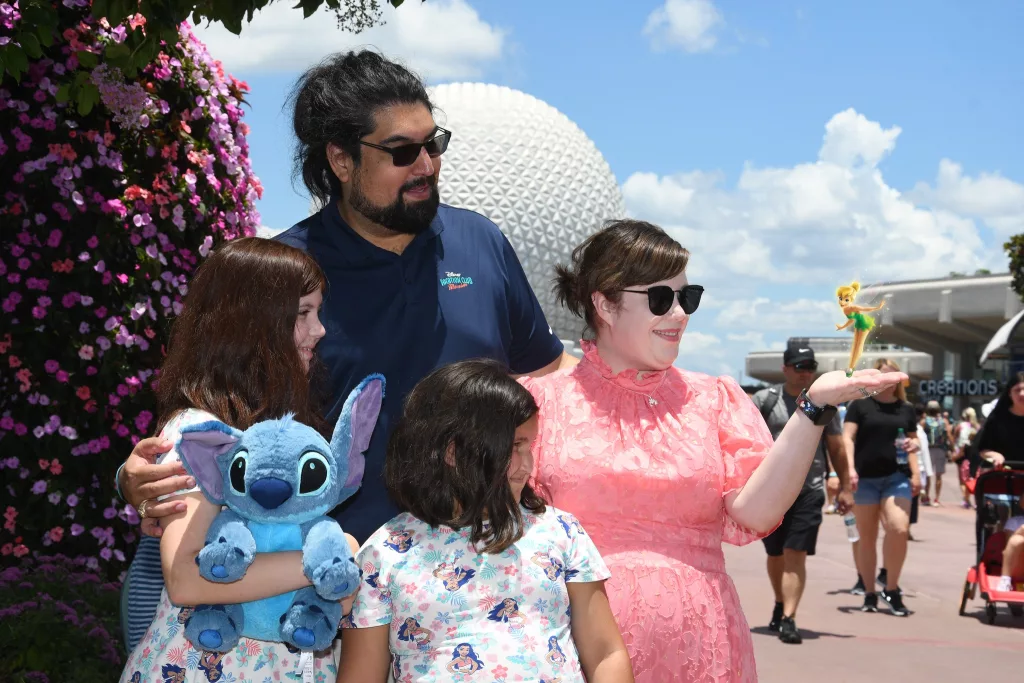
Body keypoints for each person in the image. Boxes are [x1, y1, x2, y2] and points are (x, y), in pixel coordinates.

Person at [114, 50, 576, 648]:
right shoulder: (287, 274)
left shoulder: (481, 243)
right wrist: (134, 477)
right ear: (340, 158)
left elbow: (554, 380)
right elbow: (215, 410)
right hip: (329, 599)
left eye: (433, 143)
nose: (427, 165)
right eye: (402, 151)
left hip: (477, 589)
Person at [519, 220, 907, 682]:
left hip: (700, 646)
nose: (681, 314)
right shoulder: (539, 403)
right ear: (604, 302)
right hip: (569, 646)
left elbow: (756, 513)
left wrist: (814, 408)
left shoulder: (714, 399)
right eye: (661, 299)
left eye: (689, 297)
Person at [119, 238, 357, 681]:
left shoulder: (283, 430)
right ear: (252, 323)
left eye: (317, 312)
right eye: (303, 313)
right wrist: (335, 557)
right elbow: (186, 577)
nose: (319, 330)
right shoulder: (199, 432)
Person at [338, 360, 634, 682]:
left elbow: (606, 653)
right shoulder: (385, 553)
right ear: (453, 453)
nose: (528, 464)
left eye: (530, 446)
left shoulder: (561, 531)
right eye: (514, 447)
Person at [751, 346, 852, 644]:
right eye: (799, 366)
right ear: (785, 368)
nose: (805, 371)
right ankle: (781, 602)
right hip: (771, 490)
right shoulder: (765, 401)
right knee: (776, 553)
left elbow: (836, 446)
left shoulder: (821, 402)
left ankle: (789, 617)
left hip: (810, 489)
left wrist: (844, 485)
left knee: (796, 553)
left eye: (810, 366)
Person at [843, 358, 921, 617]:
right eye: (881, 376)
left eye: (891, 376)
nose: (886, 381)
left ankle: (892, 587)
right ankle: (869, 592)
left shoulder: (906, 409)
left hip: (896, 477)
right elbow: (847, 437)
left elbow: (912, 443)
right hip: (863, 479)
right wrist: (849, 469)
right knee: (867, 538)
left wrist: (917, 471)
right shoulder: (860, 405)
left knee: (898, 528)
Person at [977, 371, 1024, 470]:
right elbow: (983, 449)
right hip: (1005, 477)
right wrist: (995, 456)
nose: (1022, 394)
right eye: (1017, 390)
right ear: (1010, 394)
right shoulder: (997, 418)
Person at [922, 400, 952, 505]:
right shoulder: (944, 421)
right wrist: (951, 448)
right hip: (940, 449)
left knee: (927, 474)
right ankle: (937, 499)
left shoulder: (924, 421)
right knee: (938, 475)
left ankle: (926, 497)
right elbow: (948, 435)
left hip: (928, 449)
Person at [952, 407, 980, 509]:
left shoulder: (960, 426)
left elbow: (955, 438)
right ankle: (969, 499)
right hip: (974, 455)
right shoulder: (977, 427)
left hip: (962, 453)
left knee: (962, 479)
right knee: (973, 478)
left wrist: (954, 453)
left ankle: (966, 499)